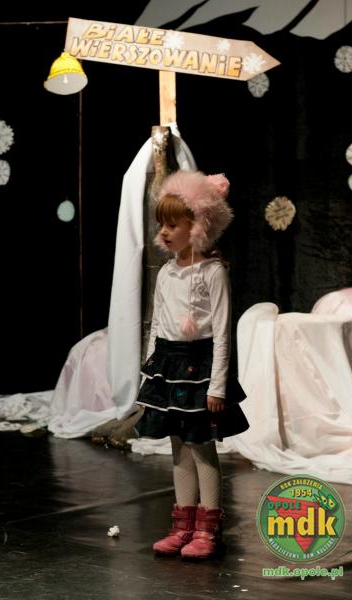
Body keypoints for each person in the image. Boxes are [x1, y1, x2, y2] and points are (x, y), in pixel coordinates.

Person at [135, 169, 249, 559]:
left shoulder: (213, 272)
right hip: (169, 365)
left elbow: (222, 333)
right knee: (178, 445)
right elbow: (157, 323)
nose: (164, 232)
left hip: (199, 366)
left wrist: (217, 385)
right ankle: (182, 525)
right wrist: (149, 372)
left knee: (201, 446)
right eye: (161, 225)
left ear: (198, 226)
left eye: (173, 225)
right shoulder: (167, 272)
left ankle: (208, 528)